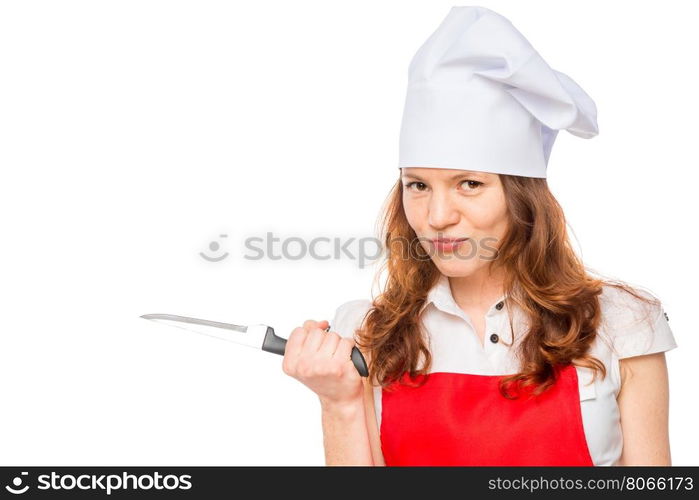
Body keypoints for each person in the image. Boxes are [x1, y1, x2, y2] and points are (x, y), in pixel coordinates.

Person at [281, 6, 677, 466]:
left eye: (470, 184)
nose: (437, 216)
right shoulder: (366, 333)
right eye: (418, 185)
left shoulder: (624, 323)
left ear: (522, 197)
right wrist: (339, 403)